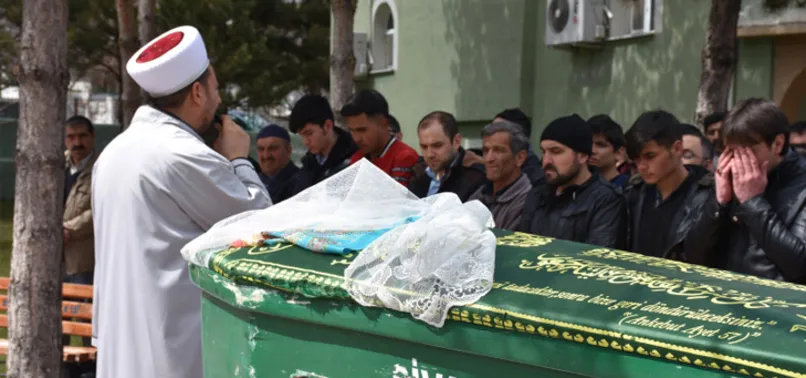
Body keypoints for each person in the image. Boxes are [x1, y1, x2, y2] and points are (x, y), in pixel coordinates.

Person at [91, 25, 271, 378]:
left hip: (123, 344)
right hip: (169, 351)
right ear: (198, 92)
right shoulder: (183, 154)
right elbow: (258, 223)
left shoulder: (113, 153)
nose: (219, 101)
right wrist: (238, 161)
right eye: (216, 89)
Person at [691, 98, 806, 283]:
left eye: (746, 152)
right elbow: (694, 255)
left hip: (778, 306)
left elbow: (800, 267)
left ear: (777, 144)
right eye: (730, 152)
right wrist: (718, 203)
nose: (737, 162)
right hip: (723, 300)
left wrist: (753, 202)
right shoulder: (725, 177)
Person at [519, 114, 626, 249]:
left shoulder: (605, 200)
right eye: (544, 152)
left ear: (582, 156)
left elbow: (597, 259)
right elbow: (522, 247)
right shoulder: (537, 195)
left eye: (556, 151)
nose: (546, 161)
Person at [623, 111, 717, 261]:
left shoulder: (707, 197)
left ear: (677, 149)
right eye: (636, 159)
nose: (642, 166)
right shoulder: (634, 194)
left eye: (650, 156)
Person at [63, 115, 97, 347]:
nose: (77, 142)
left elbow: (100, 208)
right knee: (58, 315)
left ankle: (89, 368)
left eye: (82, 136)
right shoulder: (54, 166)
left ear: (92, 137)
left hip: (84, 258)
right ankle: (62, 367)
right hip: (53, 257)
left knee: (87, 314)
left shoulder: (101, 168)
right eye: (71, 136)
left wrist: (68, 229)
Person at [343, 89, 419, 186]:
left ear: (383, 123)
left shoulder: (403, 157)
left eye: (362, 130)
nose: (356, 138)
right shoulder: (357, 159)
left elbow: (396, 199)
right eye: (351, 131)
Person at [468, 121, 532, 230]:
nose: (488, 159)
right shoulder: (479, 194)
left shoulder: (527, 201)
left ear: (520, 158)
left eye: (498, 151)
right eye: (485, 150)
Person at [408, 111, 486, 201]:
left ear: (456, 141)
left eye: (437, 145)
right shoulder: (418, 174)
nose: (429, 154)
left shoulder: (475, 178)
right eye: (424, 147)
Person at [289, 94, 357, 193]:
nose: (305, 141)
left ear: (327, 126)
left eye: (309, 133)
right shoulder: (308, 165)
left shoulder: (355, 158)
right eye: (301, 135)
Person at [465, 108, 545, 186]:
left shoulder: (534, 177)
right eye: (486, 150)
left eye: (500, 128)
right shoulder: (479, 192)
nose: (488, 158)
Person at [256, 124, 299, 203]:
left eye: (272, 148)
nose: (266, 155)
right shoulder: (253, 181)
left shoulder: (300, 183)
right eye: (261, 149)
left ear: (288, 150)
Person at [588, 114, 629, 187]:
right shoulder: (576, 190)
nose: (592, 150)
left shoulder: (628, 189)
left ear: (619, 153)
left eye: (600, 145)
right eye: (588, 143)